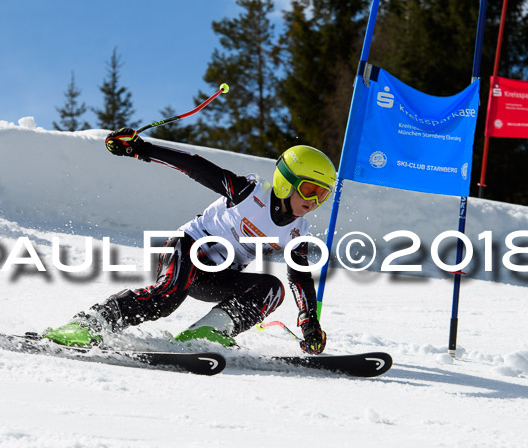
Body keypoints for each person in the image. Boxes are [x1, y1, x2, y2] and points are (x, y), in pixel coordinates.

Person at [44, 128, 336, 354]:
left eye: (322, 194)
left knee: (272, 289)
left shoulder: (298, 231)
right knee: (167, 297)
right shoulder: (248, 193)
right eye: (309, 189)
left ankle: (207, 333)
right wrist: (140, 149)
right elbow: (194, 167)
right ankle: (89, 324)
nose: (313, 201)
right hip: (187, 247)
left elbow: (300, 278)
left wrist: (309, 320)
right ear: (286, 180)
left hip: (218, 276)